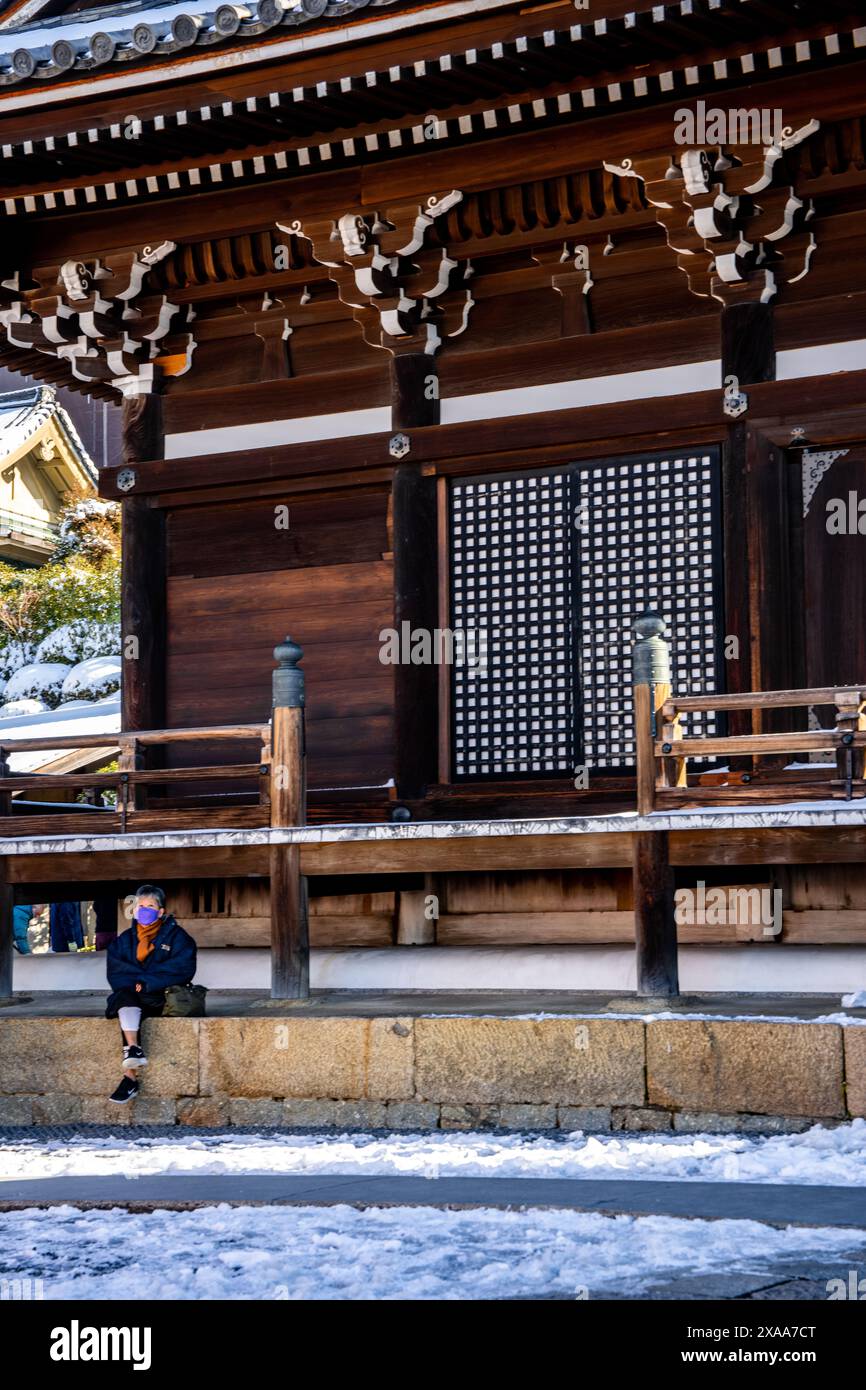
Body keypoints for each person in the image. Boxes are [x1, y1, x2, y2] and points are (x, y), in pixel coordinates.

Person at [105, 884, 197, 1105]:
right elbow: (116, 970)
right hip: (133, 995)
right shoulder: (125, 939)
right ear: (134, 909)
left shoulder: (177, 937)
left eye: (150, 906)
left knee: (127, 998)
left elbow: (181, 968)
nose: (144, 910)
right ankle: (133, 1052)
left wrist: (145, 982)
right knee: (123, 997)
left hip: (161, 996)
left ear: (161, 911)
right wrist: (137, 983)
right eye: (140, 906)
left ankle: (130, 1075)